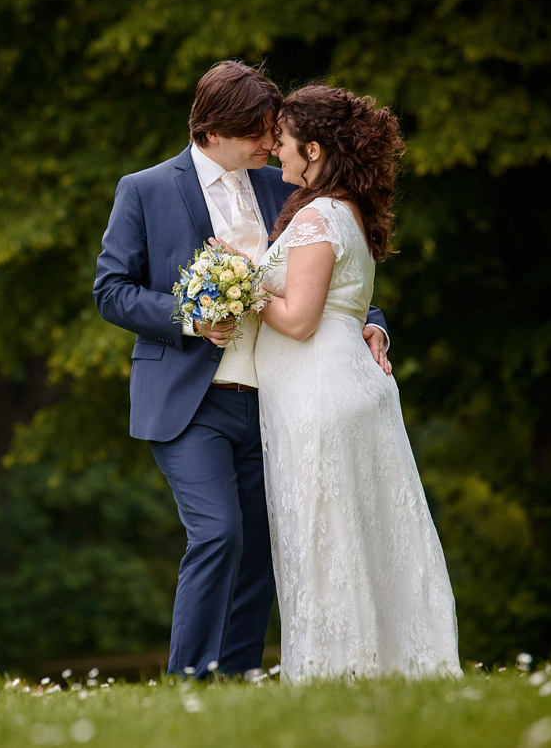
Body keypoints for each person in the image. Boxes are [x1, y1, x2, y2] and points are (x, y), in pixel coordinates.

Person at [93, 61, 390, 677]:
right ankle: (190, 681)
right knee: (219, 533)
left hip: (276, 399)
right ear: (210, 131)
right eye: (256, 132)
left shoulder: (285, 187)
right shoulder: (144, 189)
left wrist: (372, 321)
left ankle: (237, 679)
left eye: (271, 132)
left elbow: (331, 266)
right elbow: (111, 290)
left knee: (260, 547)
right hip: (189, 399)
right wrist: (189, 318)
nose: (268, 141)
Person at [252, 84, 461, 679]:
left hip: (322, 392)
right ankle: (382, 665)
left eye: (284, 142)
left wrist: (244, 286)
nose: (275, 151)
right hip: (338, 385)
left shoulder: (319, 215)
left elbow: (297, 319)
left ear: (313, 149)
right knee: (358, 534)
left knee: (327, 536)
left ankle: (338, 669)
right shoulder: (344, 209)